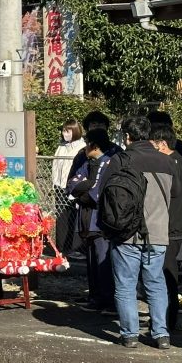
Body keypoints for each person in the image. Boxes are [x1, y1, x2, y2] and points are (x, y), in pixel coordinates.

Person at [99, 115, 175, 349]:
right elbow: (179, 192)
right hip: (158, 231)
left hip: (126, 233)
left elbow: (104, 194)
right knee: (156, 283)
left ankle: (130, 334)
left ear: (127, 136)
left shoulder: (121, 159)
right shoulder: (166, 161)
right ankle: (161, 334)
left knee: (125, 284)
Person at [67, 128, 118, 312]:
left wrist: (84, 189)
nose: (84, 148)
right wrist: (84, 188)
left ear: (94, 146)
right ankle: (96, 298)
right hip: (87, 220)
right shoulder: (88, 162)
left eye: (87, 144)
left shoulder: (108, 163)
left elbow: (94, 194)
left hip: (100, 221)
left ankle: (108, 301)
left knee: (103, 262)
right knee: (92, 263)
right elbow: (72, 184)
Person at [150, 123, 182, 334]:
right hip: (172, 226)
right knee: (165, 274)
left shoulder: (173, 163)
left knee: (166, 275)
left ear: (162, 144)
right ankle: (165, 320)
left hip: (169, 227)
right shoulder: (179, 161)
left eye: (153, 144)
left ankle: (167, 321)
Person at [53, 118, 85, 254]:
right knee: (61, 216)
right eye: (64, 130)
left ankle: (75, 248)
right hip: (59, 186)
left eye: (68, 131)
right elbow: (55, 166)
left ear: (75, 131)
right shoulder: (61, 146)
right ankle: (61, 247)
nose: (65, 133)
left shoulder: (81, 147)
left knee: (75, 216)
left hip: (73, 187)